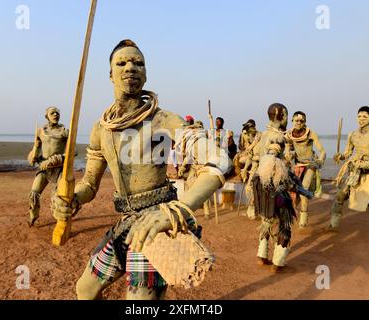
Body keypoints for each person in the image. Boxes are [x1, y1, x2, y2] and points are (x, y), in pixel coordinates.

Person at [51, 40, 232, 299]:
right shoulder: (101, 129)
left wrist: (175, 212)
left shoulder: (163, 120)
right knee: (85, 290)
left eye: (138, 63)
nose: (130, 68)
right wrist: (73, 199)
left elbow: (219, 162)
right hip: (126, 222)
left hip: (156, 223)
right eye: (121, 63)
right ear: (110, 74)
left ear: (146, 74)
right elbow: (90, 183)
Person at [248, 103, 297, 273]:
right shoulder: (277, 138)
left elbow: (256, 161)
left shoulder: (262, 135)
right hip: (276, 188)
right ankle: (278, 262)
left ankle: (262, 256)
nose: (288, 119)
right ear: (282, 115)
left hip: (262, 187)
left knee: (266, 221)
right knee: (284, 224)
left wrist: (252, 185)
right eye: (287, 115)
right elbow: (271, 156)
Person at [328, 106, 369, 241]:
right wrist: (340, 156)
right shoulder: (352, 135)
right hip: (355, 172)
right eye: (359, 116)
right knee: (339, 196)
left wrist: (363, 164)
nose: (361, 119)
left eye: (365, 117)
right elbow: (348, 153)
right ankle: (333, 225)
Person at [27, 106, 68, 227]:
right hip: (44, 170)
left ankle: (59, 221)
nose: (55, 115)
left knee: (58, 198)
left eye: (57, 113)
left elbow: (73, 151)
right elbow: (35, 151)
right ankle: (33, 216)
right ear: (47, 116)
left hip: (59, 170)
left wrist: (55, 159)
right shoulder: (41, 131)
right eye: (52, 113)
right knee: (34, 193)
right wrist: (34, 152)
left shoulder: (65, 131)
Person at [285, 111, 326, 228]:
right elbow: (288, 152)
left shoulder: (311, 134)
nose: (298, 122)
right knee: (293, 192)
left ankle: (303, 218)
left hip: (310, 165)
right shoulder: (289, 135)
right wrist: (288, 157)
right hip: (297, 166)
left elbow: (322, 151)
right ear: (292, 121)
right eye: (296, 120)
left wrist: (320, 160)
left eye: (301, 121)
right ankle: (291, 213)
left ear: (305, 122)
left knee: (303, 191)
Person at [176, 120, 212, 219]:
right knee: (189, 188)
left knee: (204, 191)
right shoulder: (193, 142)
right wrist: (183, 167)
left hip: (204, 168)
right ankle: (187, 210)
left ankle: (207, 212)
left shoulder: (207, 142)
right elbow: (189, 156)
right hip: (194, 168)